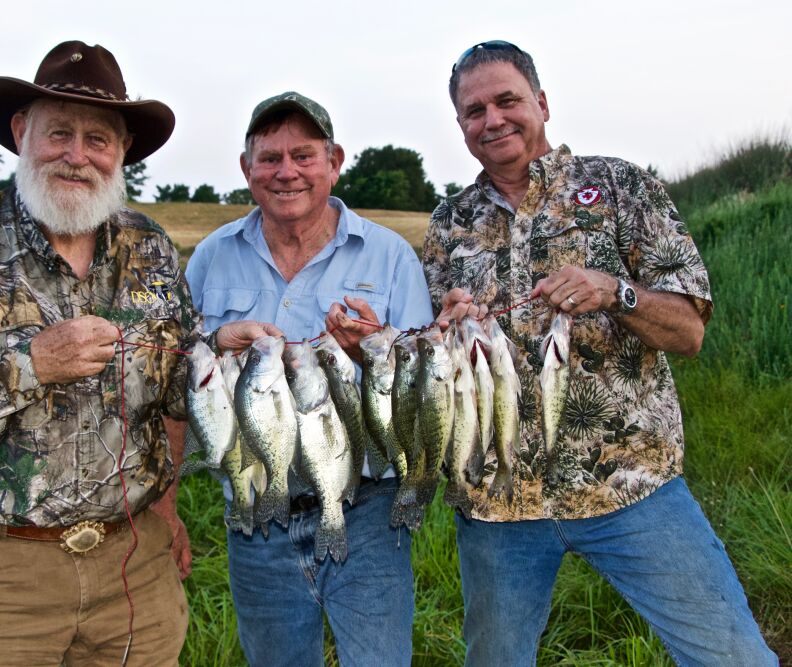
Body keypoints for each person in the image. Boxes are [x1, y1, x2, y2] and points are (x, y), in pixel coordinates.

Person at [0, 40, 269, 666]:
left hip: (131, 567)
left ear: (122, 150)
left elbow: (170, 380)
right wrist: (29, 365)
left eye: (97, 139)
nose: (77, 155)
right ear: (21, 133)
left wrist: (214, 352)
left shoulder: (150, 247)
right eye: (59, 132)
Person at [422, 40, 778, 666]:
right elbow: (432, 365)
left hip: (633, 488)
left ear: (542, 103)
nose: (493, 120)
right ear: (461, 125)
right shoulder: (449, 222)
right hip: (498, 505)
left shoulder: (620, 186)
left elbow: (689, 332)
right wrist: (444, 330)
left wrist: (617, 292)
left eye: (507, 100)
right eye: (475, 111)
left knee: (734, 657)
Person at [184, 92, 433, 667]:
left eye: (303, 155)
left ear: (334, 162)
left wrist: (373, 352)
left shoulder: (390, 256)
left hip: (367, 512)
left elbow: (425, 386)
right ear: (246, 168)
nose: (286, 171)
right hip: (255, 513)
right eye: (270, 158)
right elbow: (176, 367)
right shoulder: (211, 258)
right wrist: (214, 344)